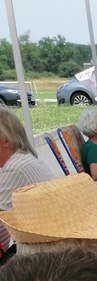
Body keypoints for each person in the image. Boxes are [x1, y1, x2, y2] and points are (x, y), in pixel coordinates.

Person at [0, 106, 55, 252]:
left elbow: (1, 230)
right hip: (51, 245)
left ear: (5, 140)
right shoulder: (23, 160)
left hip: (42, 253)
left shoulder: (14, 168)